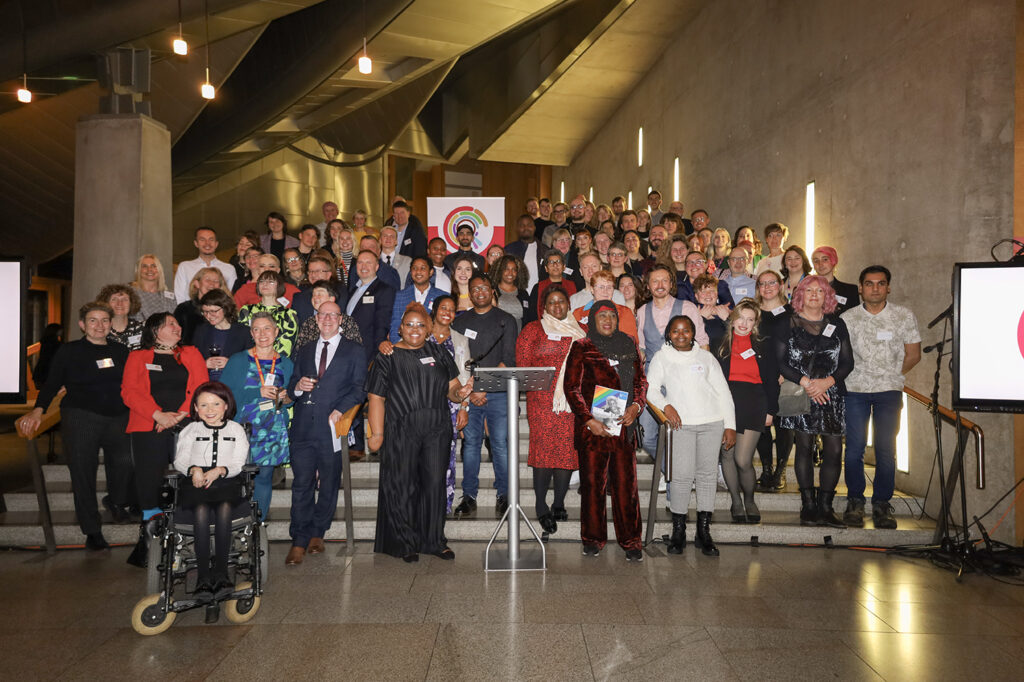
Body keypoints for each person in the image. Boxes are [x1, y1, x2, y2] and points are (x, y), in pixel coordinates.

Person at [17, 302, 133, 551]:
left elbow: (134, 384)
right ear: (82, 325)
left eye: (104, 320)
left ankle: (115, 501)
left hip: (119, 416)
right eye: (93, 320)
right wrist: (39, 409)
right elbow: (52, 383)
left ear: (111, 324)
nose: (99, 325)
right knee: (82, 473)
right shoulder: (69, 351)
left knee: (124, 462)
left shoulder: (121, 351)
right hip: (81, 416)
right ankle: (92, 530)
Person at [367, 303, 475, 562]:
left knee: (434, 486)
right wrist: (377, 433)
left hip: (437, 429)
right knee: (403, 485)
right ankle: (405, 542)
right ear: (400, 328)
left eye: (420, 325)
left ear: (428, 328)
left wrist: (460, 394)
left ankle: (434, 541)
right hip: (401, 429)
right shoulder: (388, 356)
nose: (414, 329)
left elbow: (451, 387)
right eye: (409, 325)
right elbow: (376, 397)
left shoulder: (439, 352)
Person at [121, 312, 209, 567]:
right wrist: (157, 415)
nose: (177, 327)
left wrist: (179, 414)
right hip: (148, 425)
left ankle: (186, 539)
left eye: (178, 324)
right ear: (155, 330)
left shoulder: (191, 353)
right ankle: (150, 542)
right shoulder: (138, 357)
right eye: (171, 324)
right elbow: (130, 391)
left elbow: (201, 385)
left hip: (186, 423)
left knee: (187, 480)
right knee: (149, 481)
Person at [284, 301, 367, 566]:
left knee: (330, 482)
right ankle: (298, 539)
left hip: (333, 427)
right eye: (323, 315)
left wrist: (341, 409)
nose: (328, 319)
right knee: (301, 484)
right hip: (303, 428)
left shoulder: (355, 351)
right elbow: (291, 385)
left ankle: (318, 533)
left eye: (333, 315)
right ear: (316, 320)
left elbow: (359, 388)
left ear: (340, 319)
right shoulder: (306, 349)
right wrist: (297, 386)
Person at [564, 300, 647, 561]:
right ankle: (592, 539)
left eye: (612, 315)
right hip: (594, 429)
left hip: (624, 425)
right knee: (592, 486)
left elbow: (641, 381)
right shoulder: (582, 346)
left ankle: (631, 541)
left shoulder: (629, 343)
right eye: (602, 316)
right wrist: (589, 420)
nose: (608, 320)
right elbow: (572, 388)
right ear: (592, 321)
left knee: (626, 486)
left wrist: (637, 405)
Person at [647, 315, 735, 555]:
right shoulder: (662, 357)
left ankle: (703, 532)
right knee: (681, 477)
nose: (681, 335)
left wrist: (730, 426)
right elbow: (650, 389)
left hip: (712, 422)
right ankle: (678, 532)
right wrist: (666, 406)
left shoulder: (706, 358)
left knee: (706, 476)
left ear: (693, 333)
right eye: (675, 331)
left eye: (686, 330)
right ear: (669, 334)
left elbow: (723, 392)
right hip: (680, 425)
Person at [841, 265, 921, 529]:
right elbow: (841, 356)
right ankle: (854, 500)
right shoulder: (848, 318)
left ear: (888, 287)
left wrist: (891, 375)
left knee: (886, 450)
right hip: (855, 390)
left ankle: (881, 504)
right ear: (861, 288)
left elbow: (913, 354)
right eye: (869, 283)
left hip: (888, 391)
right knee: (854, 450)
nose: (874, 288)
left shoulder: (903, 316)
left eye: (880, 283)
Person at [774, 276, 854, 527]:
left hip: (831, 393)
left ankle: (826, 508)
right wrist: (807, 382)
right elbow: (780, 362)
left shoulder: (837, 324)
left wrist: (827, 382)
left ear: (827, 296)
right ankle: (808, 506)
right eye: (808, 290)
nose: (814, 294)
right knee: (804, 448)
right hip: (802, 392)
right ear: (800, 294)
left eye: (820, 290)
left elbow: (847, 362)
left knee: (834, 450)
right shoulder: (787, 322)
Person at [516, 286, 585, 536]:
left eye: (561, 302)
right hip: (543, 401)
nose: (557, 306)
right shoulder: (533, 330)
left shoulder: (581, 331)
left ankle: (558, 502)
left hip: (571, 402)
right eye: (552, 302)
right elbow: (522, 367)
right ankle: (540, 503)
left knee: (567, 450)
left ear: (568, 304)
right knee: (544, 450)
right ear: (544, 307)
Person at [450, 275, 518, 518]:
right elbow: (457, 361)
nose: (479, 292)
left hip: (498, 393)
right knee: (470, 446)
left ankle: (504, 495)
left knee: (500, 444)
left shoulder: (506, 320)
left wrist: (484, 387)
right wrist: (469, 395)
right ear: (469, 291)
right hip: (468, 395)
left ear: (492, 290)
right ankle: (469, 496)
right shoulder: (460, 322)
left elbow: (508, 359)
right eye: (474, 288)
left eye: (484, 288)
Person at [173, 382, 249, 596]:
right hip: (195, 480)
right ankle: (203, 576)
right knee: (201, 509)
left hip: (226, 479)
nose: (210, 410)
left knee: (225, 506)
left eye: (216, 404)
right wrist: (193, 469)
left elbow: (238, 462)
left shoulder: (236, 429)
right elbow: (180, 460)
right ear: (195, 408)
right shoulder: (191, 429)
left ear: (226, 406)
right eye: (204, 405)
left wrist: (220, 470)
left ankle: (222, 573)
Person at [221, 312, 295, 522]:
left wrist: (286, 396)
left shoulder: (286, 363)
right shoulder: (238, 360)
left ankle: (256, 525)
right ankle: (233, 521)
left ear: (276, 332)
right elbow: (224, 395)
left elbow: (292, 397)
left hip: (271, 429)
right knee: (236, 477)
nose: (262, 334)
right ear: (251, 333)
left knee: (264, 478)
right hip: (241, 428)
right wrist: (257, 392)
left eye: (267, 329)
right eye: (257, 329)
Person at [635, 264, 709, 462]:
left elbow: (702, 344)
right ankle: (673, 474)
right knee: (647, 436)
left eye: (664, 280)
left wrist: (704, 380)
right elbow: (641, 350)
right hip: (653, 381)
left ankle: (674, 485)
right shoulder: (642, 311)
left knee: (679, 434)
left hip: (683, 379)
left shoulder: (687, 308)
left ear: (671, 283)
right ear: (648, 286)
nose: (660, 285)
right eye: (655, 281)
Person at [715, 301, 779, 524]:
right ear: (733, 318)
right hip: (726, 402)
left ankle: (749, 499)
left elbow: (772, 381)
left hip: (754, 401)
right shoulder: (720, 343)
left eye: (750, 319)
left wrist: (772, 410)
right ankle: (735, 500)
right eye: (741, 318)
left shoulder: (763, 345)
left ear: (755, 323)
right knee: (727, 455)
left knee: (743, 459)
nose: (744, 323)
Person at [346, 250, 396, 459]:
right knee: (352, 396)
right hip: (348, 353)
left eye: (369, 262)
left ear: (377, 267)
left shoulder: (384, 290)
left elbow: (381, 323)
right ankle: (355, 444)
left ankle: (379, 443)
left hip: (369, 353)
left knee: (373, 398)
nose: (364, 266)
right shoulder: (352, 289)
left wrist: (375, 352)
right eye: (360, 263)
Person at [753, 268, 793, 491]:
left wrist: (786, 373)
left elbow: (796, 344)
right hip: (758, 374)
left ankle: (781, 470)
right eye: (762, 283)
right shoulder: (753, 312)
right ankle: (766, 470)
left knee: (784, 424)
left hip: (782, 375)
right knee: (761, 425)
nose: (767, 287)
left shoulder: (791, 313)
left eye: (771, 283)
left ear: (780, 285)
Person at [192, 289, 253, 381]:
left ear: (225, 308)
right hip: (207, 383)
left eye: (213, 311)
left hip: (234, 383)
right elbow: (192, 360)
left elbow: (253, 363)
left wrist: (231, 364)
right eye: (205, 312)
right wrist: (203, 364)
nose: (209, 316)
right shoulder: (201, 330)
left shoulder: (244, 332)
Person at [238, 271, 299, 357]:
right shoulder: (246, 310)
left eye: (271, 281)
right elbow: (241, 340)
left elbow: (286, 347)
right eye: (261, 281)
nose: (265, 284)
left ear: (279, 286)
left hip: (276, 362)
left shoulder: (289, 314)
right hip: (248, 359)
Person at [389, 257, 447, 342]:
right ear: (411, 272)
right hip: (405, 348)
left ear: (431, 272)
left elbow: (445, 328)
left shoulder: (442, 296)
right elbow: (395, 326)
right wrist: (400, 348)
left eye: (423, 268)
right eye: (414, 268)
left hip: (434, 348)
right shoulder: (399, 296)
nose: (418, 271)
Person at [294, 281, 362, 353]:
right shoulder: (308, 323)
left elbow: (356, 350)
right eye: (313, 295)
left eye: (319, 294)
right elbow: (299, 352)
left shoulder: (346, 321)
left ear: (331, 299)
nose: (315, 298)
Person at [173, 227, 237, 303]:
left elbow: (230, 298)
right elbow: (179, 297)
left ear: (216, 244)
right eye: (202, 240)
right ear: (196, 243)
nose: (207, 243)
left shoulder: (229, 269)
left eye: (211, 240)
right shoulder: (184, 267)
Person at [573, 270, 638, 341]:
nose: (605, 291)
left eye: (609, 287)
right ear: (592, 289)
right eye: (601, 287)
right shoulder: (578, 313)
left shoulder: (624, 312)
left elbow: (632, 342)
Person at [174, 267, 230, 345]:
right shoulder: (184, 309)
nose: (211, 284)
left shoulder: (227, 309)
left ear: (220, 286)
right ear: (197, 284)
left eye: (216, 281)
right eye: (207, 280)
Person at [291, 254, 348, 324]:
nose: (313, 275)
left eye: (318, 271)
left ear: (329, 274)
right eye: (311, 271)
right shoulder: (300, 295)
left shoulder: (339, 291)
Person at [526, 249, 577, 322]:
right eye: (551, 262)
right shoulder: (538, 287)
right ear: (546, 268)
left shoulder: (573, 286)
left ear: (564, 267)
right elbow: (532, 314)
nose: (555, 265)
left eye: (558, 261)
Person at [234, 253, 301, 307]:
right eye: (262, 266)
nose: (266, 269)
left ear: (278, 270)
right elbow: (234, 311)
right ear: (258, 270)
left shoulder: (291, 290)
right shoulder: (246, 289)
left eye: (271, 266)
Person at [811, 246, 860, 315]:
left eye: (825, 259)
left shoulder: (850, 290)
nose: (820, 264)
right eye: (816, 261)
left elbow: (855, 317)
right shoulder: (804, 289)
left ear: (833, 261)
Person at [97, 283, 144, 350]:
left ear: (131, 304)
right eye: (114, 299)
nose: (119, 303)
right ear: (106, 303)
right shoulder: (99, 330)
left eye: (125, 299)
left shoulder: (143, 329)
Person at [503, 214, 543, 291]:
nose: (526, 228)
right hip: (515, 295)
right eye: (522, 225)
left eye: (529, 225)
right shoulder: (509, 249)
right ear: (517, 229)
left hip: (540, 295)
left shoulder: (545, 250)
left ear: (534, 228)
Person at [489, 254, 530, 330]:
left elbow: (528, 319)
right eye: (506, 269)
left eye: (514, 270)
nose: (510, 273)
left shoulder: (523, 293)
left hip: (519, 337)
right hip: (498, 337)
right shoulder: (492, 292)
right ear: (500, 270)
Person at [131, 254, 177, 321]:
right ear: (138, 270)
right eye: (144, 266)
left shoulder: (170, 296)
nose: (149, 269)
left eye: (153, 266)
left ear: (159, 270)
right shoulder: (130, 293)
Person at [694, 273, 731, 351]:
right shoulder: (690, 314)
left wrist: (727, 320)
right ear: (696, 296)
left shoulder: (727, 312)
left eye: (712, 291)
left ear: (717, 294)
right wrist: (700, 319)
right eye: (703, 291)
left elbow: (737, 340)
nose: (708, 294)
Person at [326, 221, 355, 285]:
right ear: (338, 242)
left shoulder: (359, 261)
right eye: (341, 239)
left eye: (348, 238)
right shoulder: (333, 262)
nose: (345, 241)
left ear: (353, 241)